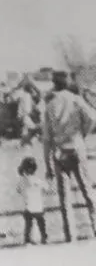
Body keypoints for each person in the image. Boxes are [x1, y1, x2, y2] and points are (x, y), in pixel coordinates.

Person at [42, 68, 96, 242]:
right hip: (76, 147)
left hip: (59, 151)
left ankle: (70, 235)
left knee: (64, 196)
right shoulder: (76, 100)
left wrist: (47, 164)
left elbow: (46, 138)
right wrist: (82, 134)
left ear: (54, 84)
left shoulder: (50, 105)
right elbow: (92, 118)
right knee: (87, 190)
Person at [17, 156, 48, 245]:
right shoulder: (37, 180)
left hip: (28, 207)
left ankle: (27, 238)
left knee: (28, 224)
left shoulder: (22, 180)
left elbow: (18, 190)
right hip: (39, 206)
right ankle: (44, 237)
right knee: (41, 222)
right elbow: (46, 188)